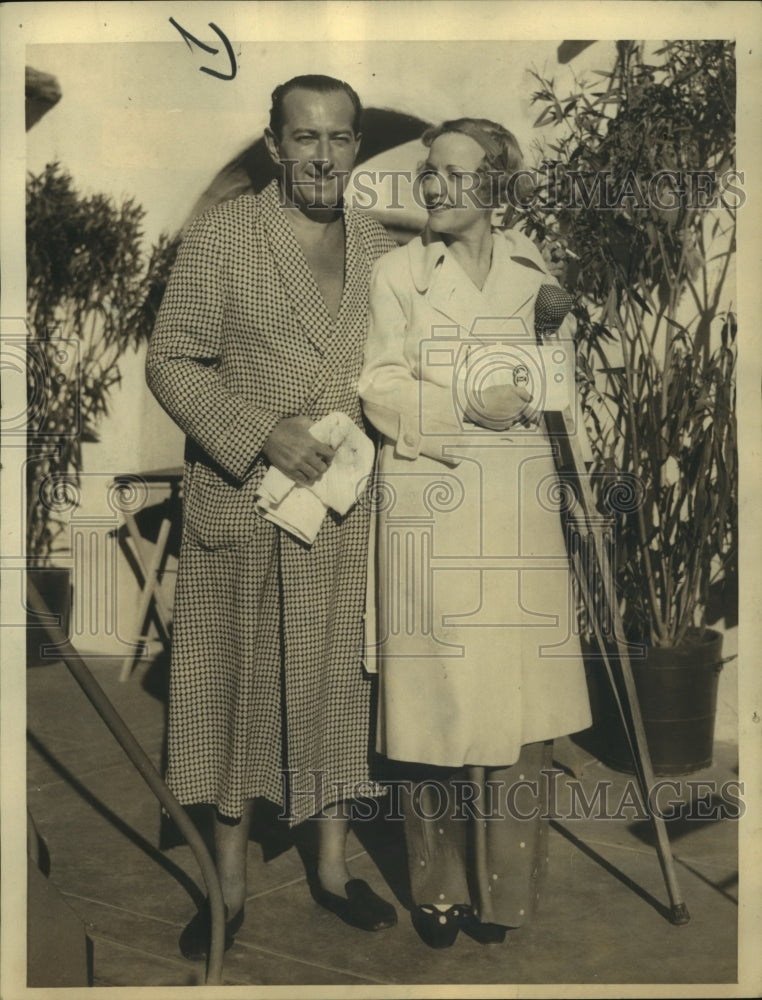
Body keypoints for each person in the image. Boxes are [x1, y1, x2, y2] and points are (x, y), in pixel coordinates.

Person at [146, 74, 399, 958]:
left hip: (340, 519)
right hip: (242, 509)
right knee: (231, 694)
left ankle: (330, 872)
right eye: (304, 137)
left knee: (335, 690)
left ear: (357, 148)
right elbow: (172, 361)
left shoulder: (379, 246)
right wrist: (261, 432)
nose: (322, 155)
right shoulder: (227, 234)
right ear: (274, 144)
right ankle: (228, 886)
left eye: (338, 138)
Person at [358, 118, 592, 948]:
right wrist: (464, 399)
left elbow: (560, 385)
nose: (433, 185)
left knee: (518, 706)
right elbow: (378, 384)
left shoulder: (535, 273)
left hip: (520, 502)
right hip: (432, 498)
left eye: (454, 173)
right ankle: (439, 888)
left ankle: (504, 895)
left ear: (495, 185)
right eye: (428, 171)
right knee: (436, 705)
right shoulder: (396, 272)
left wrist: (550, 375)